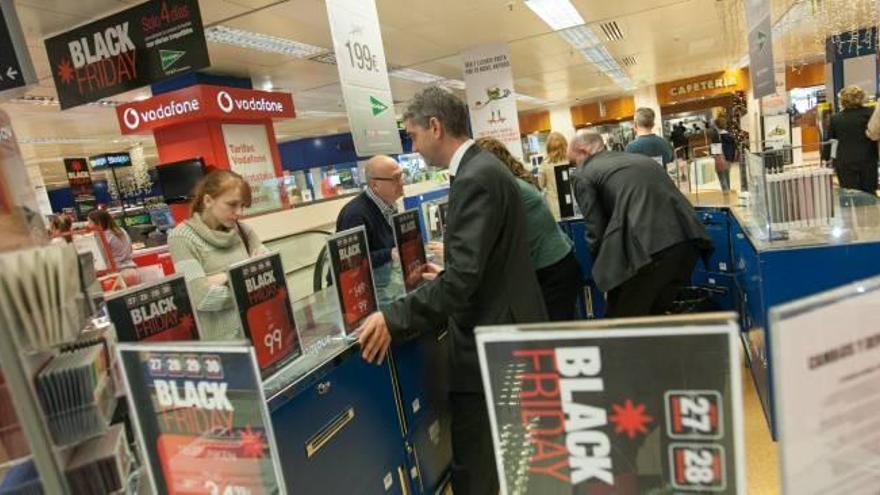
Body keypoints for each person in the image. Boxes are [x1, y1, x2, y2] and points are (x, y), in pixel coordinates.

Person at [356, 86, 547, 495]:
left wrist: (393, 316)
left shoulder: (476, 177)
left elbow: (463, 284)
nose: (415, 146)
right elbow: (478, 268)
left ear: (436, 127)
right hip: (506, 330)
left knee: (476, 463)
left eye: (413, 135)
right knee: (501, 456)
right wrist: (442, 279)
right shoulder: (485, 169)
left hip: (490, 345)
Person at [569, 130, 713, 318]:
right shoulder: (638, 159)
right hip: (688, 242)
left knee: (621, 325)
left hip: (648, 253)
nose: (574, 167)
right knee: (655, 319)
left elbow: (596, 231)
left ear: (583, 151)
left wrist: (605, 276)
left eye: (573, 162)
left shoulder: (584, 173)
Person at [476, 137, 583, 320]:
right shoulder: (515, 182)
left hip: (552, 272)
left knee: (553, 338)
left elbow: (490, 237)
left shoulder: (509, 189)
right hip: (560, 264)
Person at [168, 170, 267, 341]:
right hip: (222, 346)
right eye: (232, 204)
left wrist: (220, 279)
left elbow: (268, 278)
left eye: (242, 206)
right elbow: (202, 297)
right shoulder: (181, 237)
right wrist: (242, 274)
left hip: (259, 332)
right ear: (208, 200)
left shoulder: (244, 231)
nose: (239, 212)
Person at [336, 155, 405, 303]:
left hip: (386, 283)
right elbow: (350, 265)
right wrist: (390, 253)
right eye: (396, 178)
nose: (402, 182)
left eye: (402, 175)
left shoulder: (389, 205)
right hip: (362, 294)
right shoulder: (355, 215)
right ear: (375, 185)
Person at [825, 86, 878, 194]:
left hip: (844, 162)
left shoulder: (836, 118)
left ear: (842, 100)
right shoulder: (870, 113)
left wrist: (827, 158)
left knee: (848, 195)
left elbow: (831, 141)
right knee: (870, 193)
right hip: (867, 159)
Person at [87, 209, 140, 286]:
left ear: (98, 223)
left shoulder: (102, 236)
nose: (88, 225)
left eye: (90, 222)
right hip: (133, 271)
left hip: (117, 275)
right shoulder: (121, 231)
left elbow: (102, 260)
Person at [537, 131, 569, 219]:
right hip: (572, 205)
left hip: (554, 208)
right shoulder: (572, 161)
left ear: (548, 147)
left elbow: (540, 185)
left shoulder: (544, 164)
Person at [708, 117, 737, 192]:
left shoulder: (716, 136)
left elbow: (715, 151)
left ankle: (726, 195)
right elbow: (734, 148)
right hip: (728, 159)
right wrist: (731, 158)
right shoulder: (730, 135)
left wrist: (711, 154)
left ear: (716, 125)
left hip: (720, 159)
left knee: (722, 178)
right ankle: (728, 193)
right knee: (727, 177)